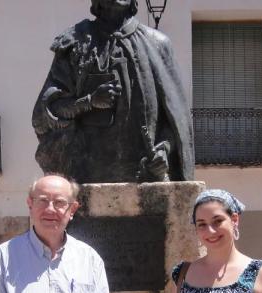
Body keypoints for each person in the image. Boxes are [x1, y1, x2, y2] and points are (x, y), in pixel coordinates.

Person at [31, 0, 194, 184]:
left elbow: (176, 120)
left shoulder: (157, 44)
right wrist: (89, 102)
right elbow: (46, 113)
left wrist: (164, 149)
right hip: (87, 180)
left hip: (147, 179)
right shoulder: (76, 43)